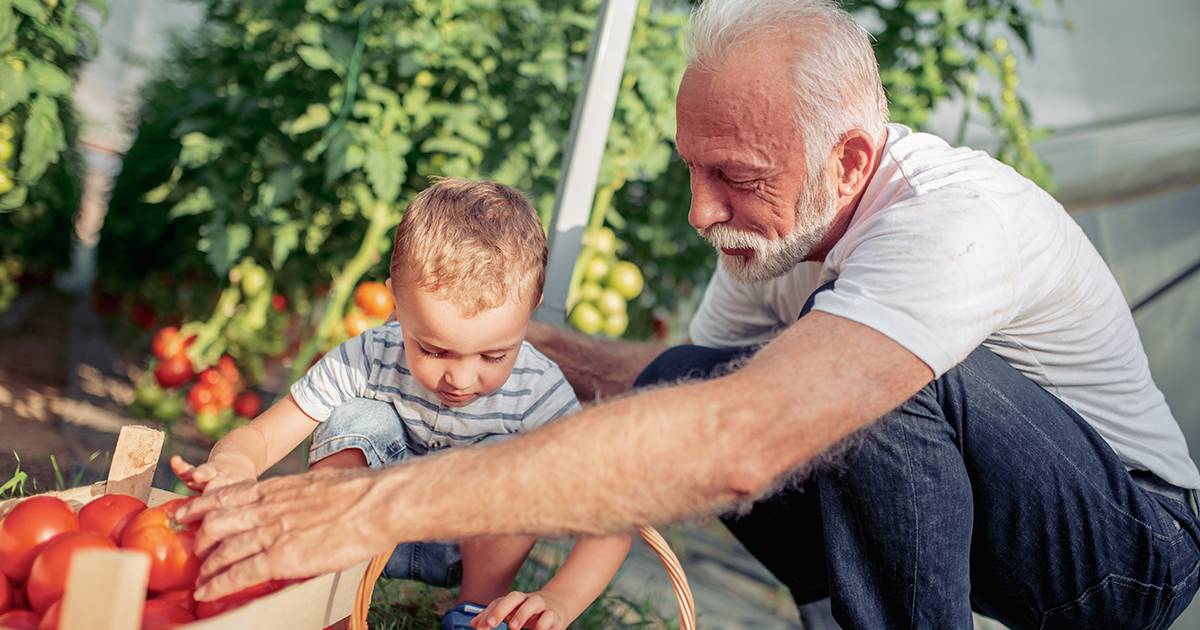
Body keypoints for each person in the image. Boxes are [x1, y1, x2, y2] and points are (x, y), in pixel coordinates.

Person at [177, 1, 1200, 628]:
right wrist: (532, 348)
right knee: (691, 379)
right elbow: (694, 391)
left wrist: (369, 508)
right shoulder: (780, 226)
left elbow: (741, 442)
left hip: (1128, 551)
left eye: (735, 176)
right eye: (693, 169)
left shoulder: (954, 223)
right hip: (988, 512)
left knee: (862, 396)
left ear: (849, 159)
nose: (702, 210)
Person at [170, 177, 630, 630]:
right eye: (433, 350)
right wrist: (232, 468)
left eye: (494, 355)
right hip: (362, 528)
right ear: (396, 301)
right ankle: (330, 589)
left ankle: (475, 612)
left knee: (517, 462)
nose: (461, 378)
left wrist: (560, 599)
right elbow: (262, 435)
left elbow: (613, 515)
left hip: (467, 543)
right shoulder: (369, 355)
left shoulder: (539, 391)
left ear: (532, 308)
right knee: (356, 419)